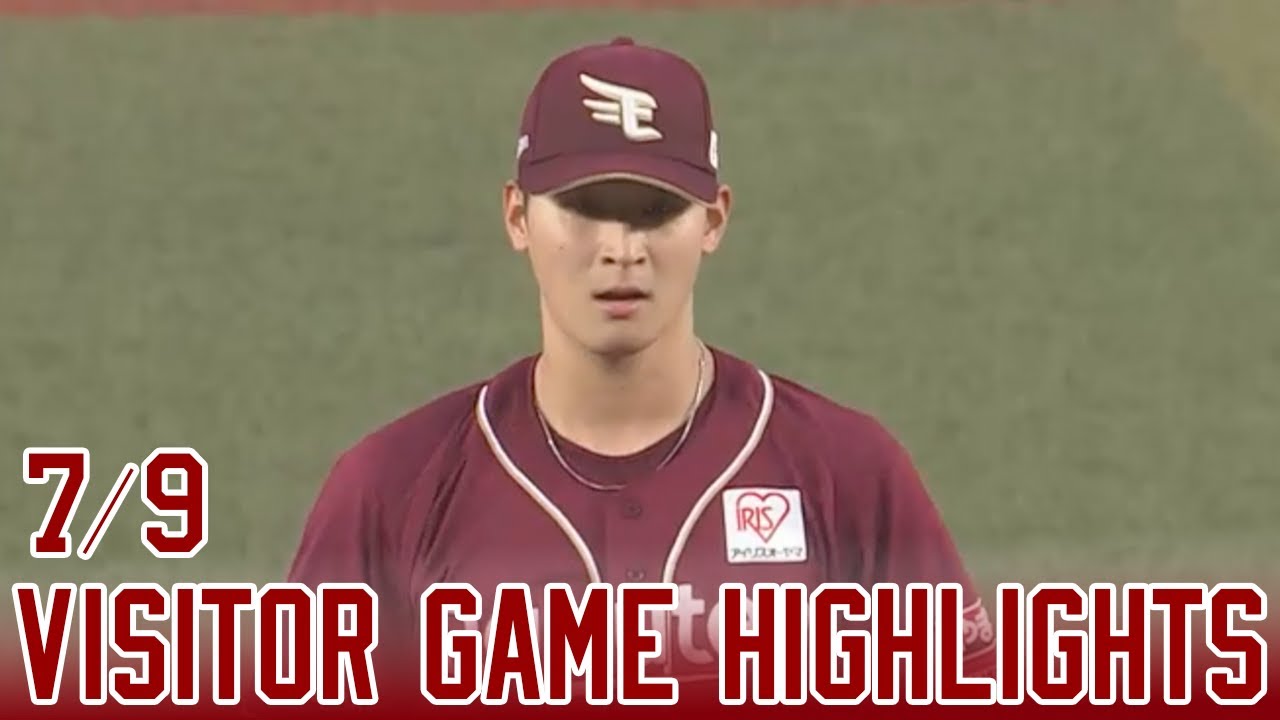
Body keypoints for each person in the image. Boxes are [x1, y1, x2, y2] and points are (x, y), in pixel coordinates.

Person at [287, 36, 994, 692]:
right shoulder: (393, 488)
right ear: (517, 217)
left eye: (655, 211)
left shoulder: (844, 472)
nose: (621, 249)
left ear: (713, 221)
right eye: (583, 208)